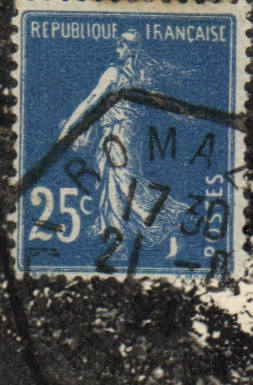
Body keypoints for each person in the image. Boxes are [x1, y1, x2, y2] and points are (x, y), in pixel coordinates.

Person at [58, 30, 178, 249]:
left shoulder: (114, 73)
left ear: (132, 49)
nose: (118, 50)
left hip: (116, 137)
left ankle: (121, 234)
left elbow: (90, 101)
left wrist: (67, 128)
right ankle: (114, 229)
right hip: (131, 138)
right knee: (122, 181)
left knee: (117, 182)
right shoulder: (143, 76)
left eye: (122, 46)